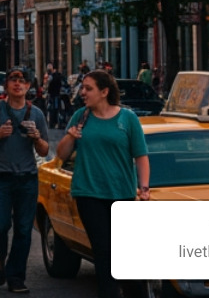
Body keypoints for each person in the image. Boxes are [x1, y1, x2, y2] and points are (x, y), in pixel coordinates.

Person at [55, 70, 150, 298]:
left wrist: (144, 187)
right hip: (89, 194)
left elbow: (141, 155)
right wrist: (70, 136)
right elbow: (61, 155)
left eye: (88, 88)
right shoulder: (80, 116)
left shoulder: (127, 119)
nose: (83, 93)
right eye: (83, 88)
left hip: (123, 194)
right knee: (104, 252)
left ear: (104, 92)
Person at [0, 68, 49, 293]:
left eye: (23, 81)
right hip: (1, 178)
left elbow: (45, 150)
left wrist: (36, 138)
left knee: (24, 230)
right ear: (6, 85)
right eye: (13, 80)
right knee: (0, 225)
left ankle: (16, 276)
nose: (18, 84)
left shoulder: (36, 113)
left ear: (28, 86)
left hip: (27, 178)